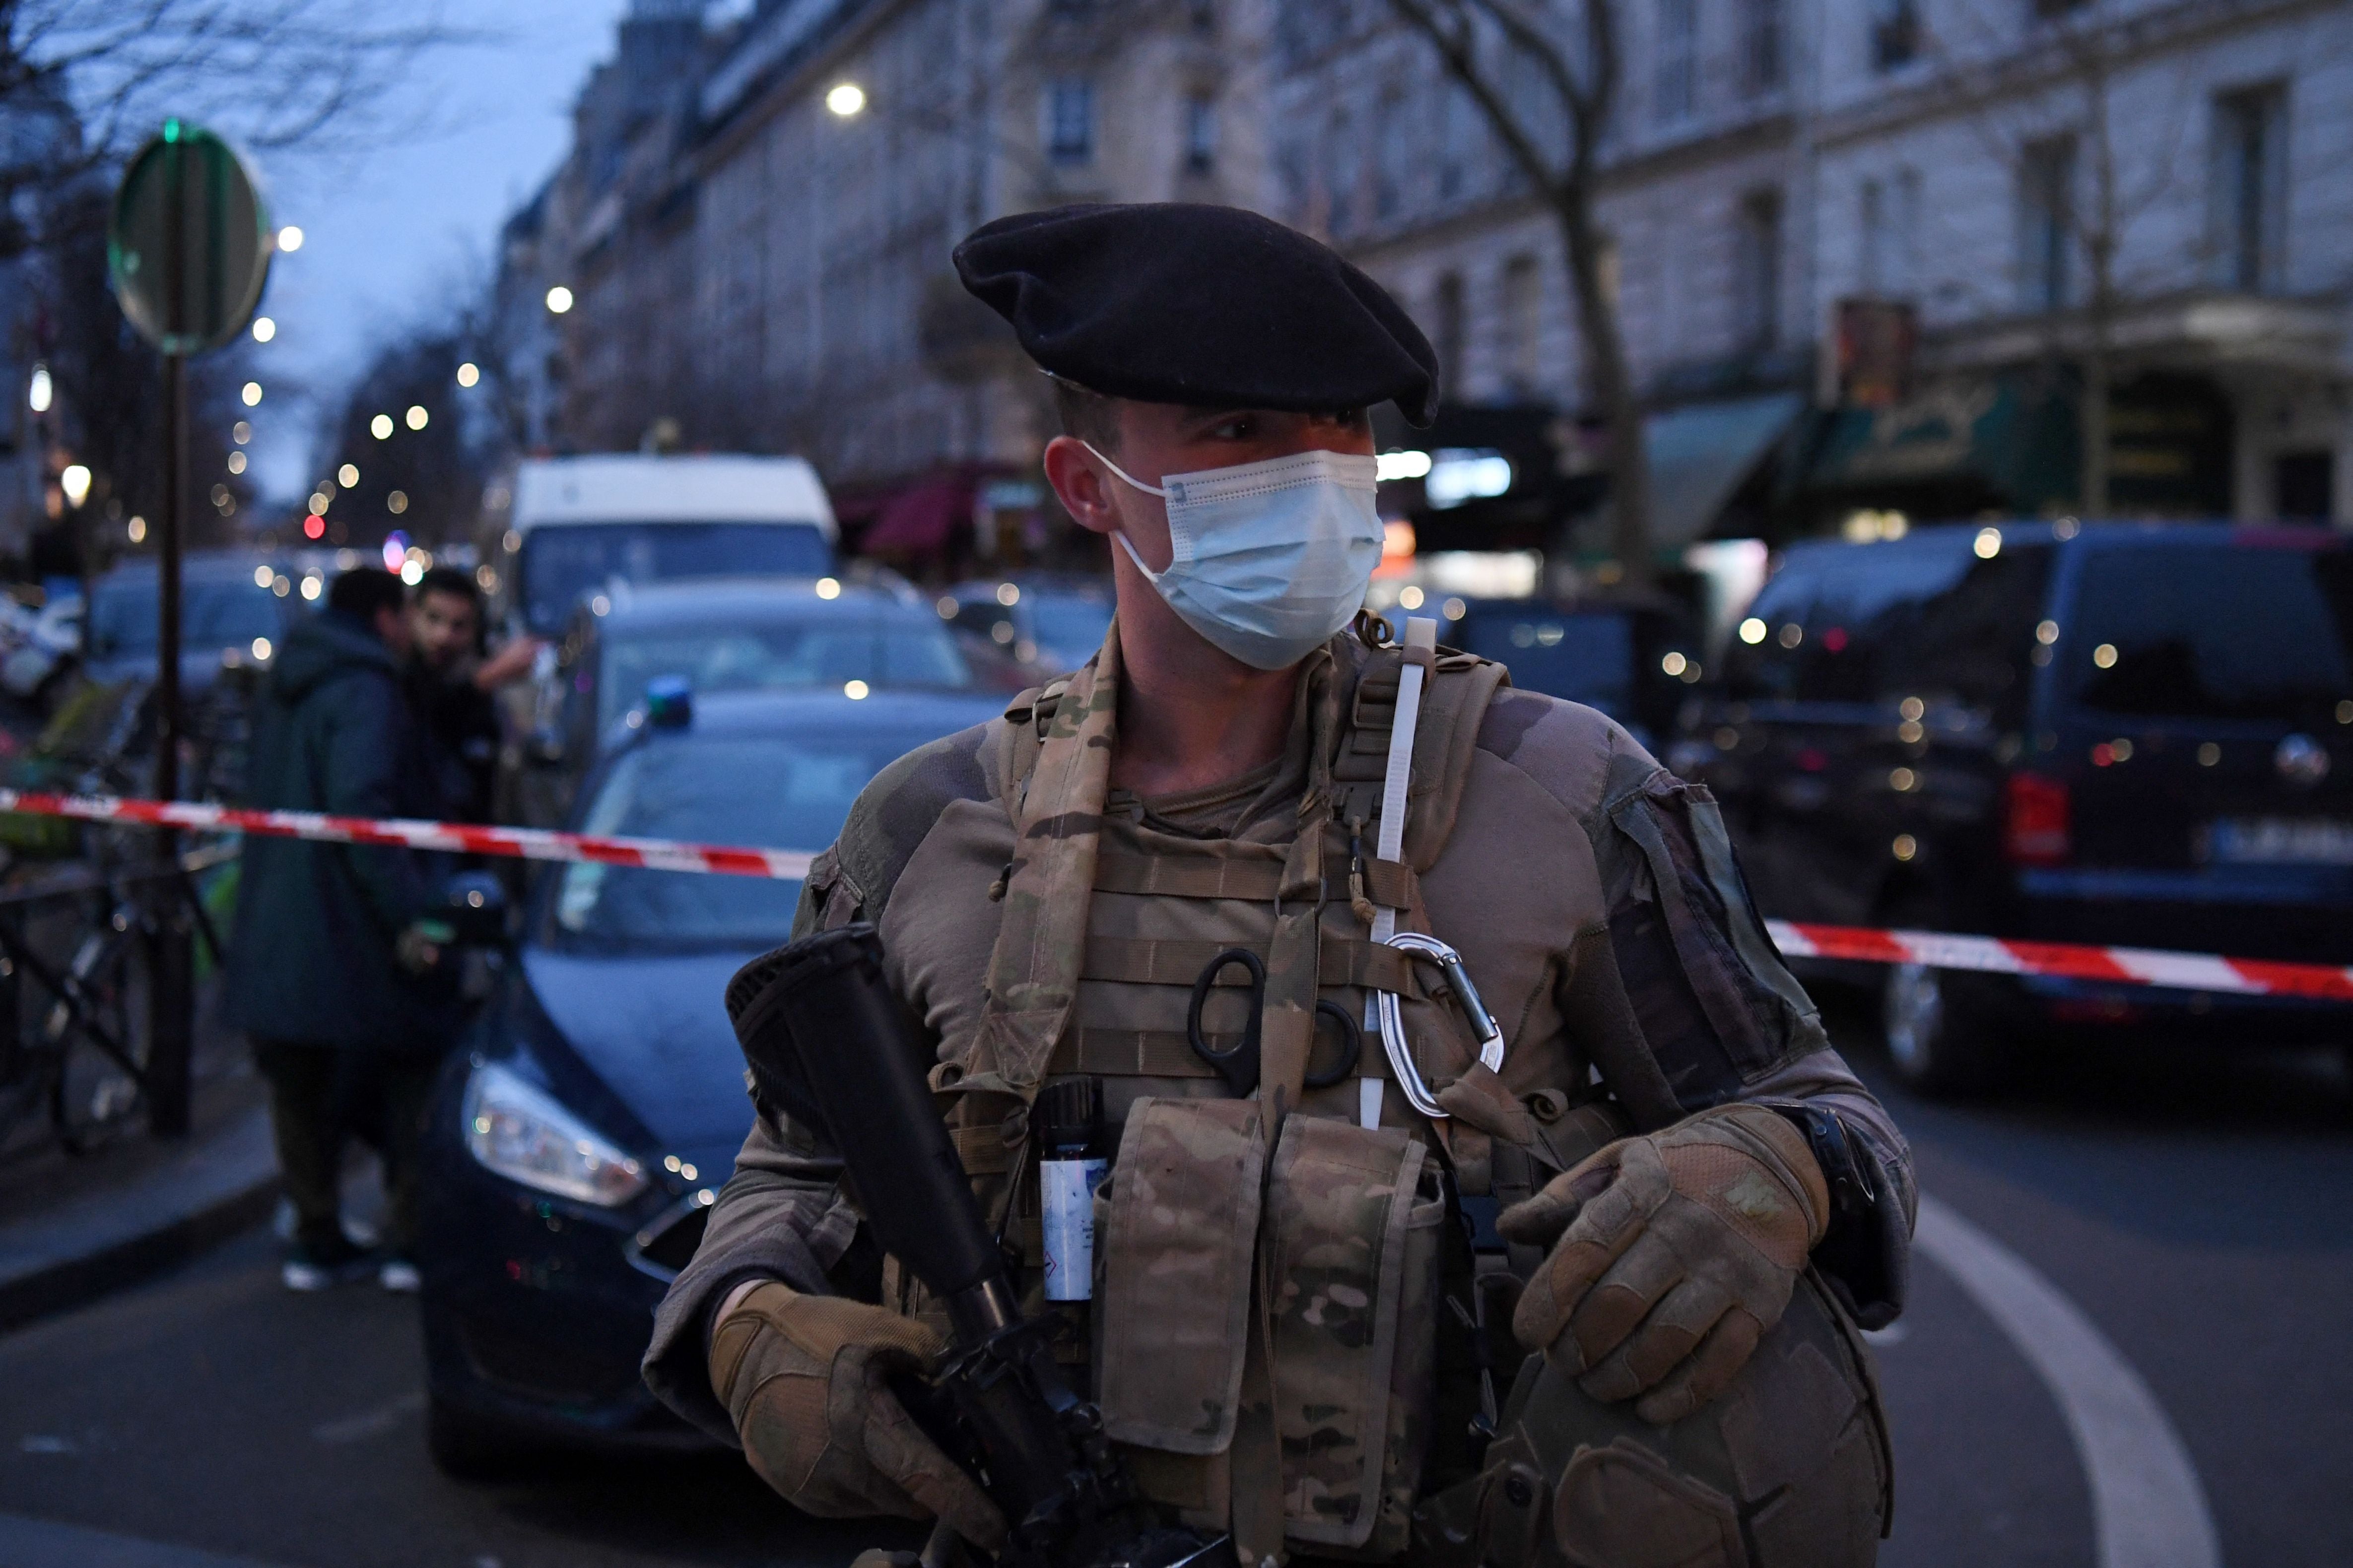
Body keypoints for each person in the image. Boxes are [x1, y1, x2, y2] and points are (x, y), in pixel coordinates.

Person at [645, 204, 1914, 1567]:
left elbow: (1821, 1116)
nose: (1314, 479)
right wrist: (745, 1324)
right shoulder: (925, 829)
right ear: (1086, 485)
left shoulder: (1557, 787)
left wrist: (1770, 1168)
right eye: (1238, 434)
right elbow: (796, 1166)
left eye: (1340, 431)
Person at [226, 567, 459, 1294]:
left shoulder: (292, 677)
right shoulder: (364, 688)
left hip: (275, 911)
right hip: (338, 920)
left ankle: (316, 1232)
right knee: (406, 1063)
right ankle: (402, 1239)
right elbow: (363, 812)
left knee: (298, 1082)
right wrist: (409, 917)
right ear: (387, 618)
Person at [404, 564, 535, 825]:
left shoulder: (472, 678)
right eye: (433, 619)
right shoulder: (399, 675)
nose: (443, 636)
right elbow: (432, 709)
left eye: (458, 625)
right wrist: (487, 678)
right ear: (412, 615)